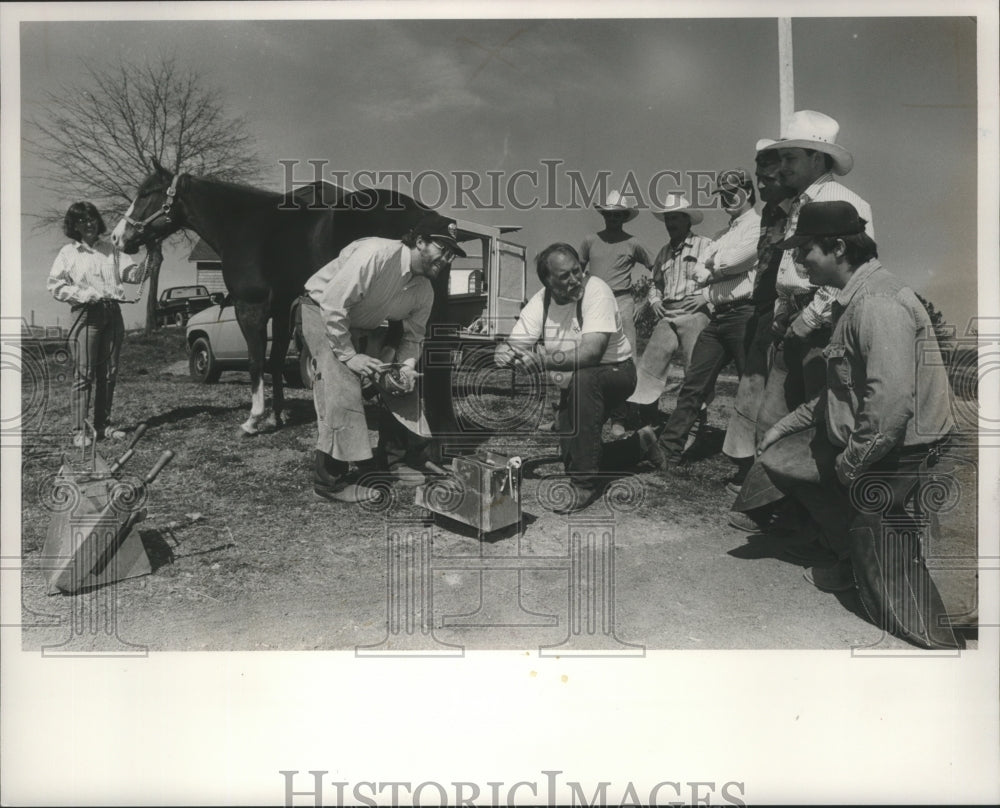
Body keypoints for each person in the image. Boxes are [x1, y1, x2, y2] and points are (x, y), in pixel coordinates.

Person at [738, 201, 961, 650]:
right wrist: (783, 427)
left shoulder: (877, 303)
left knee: (890, 578)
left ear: (838, 247)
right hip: (873, 445)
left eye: (806, 249)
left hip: (899, 456)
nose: (799, 260)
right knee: (780, 458)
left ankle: (942, 649)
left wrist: (851, 466)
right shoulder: (852, 298)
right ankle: (847, 548)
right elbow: (840, 393)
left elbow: (889, 406)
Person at [300, 212, 465, 503]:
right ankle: (328, 482)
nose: (446, 260)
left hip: (360, 324)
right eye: (443, 249)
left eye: (452, 254)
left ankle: (394, 462)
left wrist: (405, 369)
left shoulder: (425, 289)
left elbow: (413, 338)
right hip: (320, 311)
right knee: (341, 378)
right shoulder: (376, 253)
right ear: (420, 241)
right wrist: (349, 356)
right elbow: (333, 303)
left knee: (402, 382)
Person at [495, 243, 660, 514]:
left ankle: (585, 485)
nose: (575, 280)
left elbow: (590, 354)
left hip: (616, 373)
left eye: (577, 271)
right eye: (564, 276)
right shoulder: (541, 301)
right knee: (573, 456)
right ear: (547, 281)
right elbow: (515, 344)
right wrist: (504, 352)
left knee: (585, 379)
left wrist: (540, 360)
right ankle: (639, 445)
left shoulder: (597, 291)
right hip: (576, 382)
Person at [755, 110, 874, 437]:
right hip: (793, 320)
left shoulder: (840, 202)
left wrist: (809, 318)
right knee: (775, 418)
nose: (782, 167)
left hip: (823, 327)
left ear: (818, 159)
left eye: (790, 157)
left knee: (820, 421)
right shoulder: (801, 203)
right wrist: (785, 313)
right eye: (781, 158)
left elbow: (852, 271)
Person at [651, 169, 761, 467]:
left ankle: (757, 460)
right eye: (721, 194)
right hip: (719, 315)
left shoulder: (758, 226)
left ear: (748, 192)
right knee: (694, 382)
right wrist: (718, 267)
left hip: (745, 313)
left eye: (732, 192)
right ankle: (667, 450)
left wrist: (716, 265)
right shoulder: (721, 235)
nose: (726, 199)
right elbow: (698, 273)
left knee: (750, 387)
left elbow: (744, 259)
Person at [721, 141, 796, 491]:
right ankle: (741, 465)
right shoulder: (769, 213)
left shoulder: (799, 209)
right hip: (762, 308)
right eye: (758, 178)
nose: (761, 185)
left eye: (768, 178)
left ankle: (772, 473)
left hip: (790, 310)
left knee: (779, 394)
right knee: (750, 387)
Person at [47, 201, 149, 448]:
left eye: (92, 218)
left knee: (108, 374)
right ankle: (80, 430)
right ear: (75, 226)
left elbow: (133, 275)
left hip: (112, 314)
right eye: (82, 221)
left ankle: (103, 426)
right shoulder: (68, 253)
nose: (89, 223)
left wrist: (150, 259)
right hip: (86, 315)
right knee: (84, 374)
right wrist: (83, 295)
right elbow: (54, 285)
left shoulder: (112, 250)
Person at [626, 193, 712, 423]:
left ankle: (695, 424)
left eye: (675, 218)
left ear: (687, 220)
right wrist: (654, 301)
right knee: (650, 364)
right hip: (668, 311)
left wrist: (705, 296)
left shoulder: (706, 245)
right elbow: (656, 284)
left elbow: (718, 277)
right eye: (667, 218)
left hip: (695, 312)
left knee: (694, 369)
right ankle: (646, 419)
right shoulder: (664, 251)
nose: (671, 223)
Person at [579, 190, 652, 434]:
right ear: (604, 215)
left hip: (623, 301)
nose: (614, 218)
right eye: (610, 214)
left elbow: (658, 269)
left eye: (618, 214)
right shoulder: (590, 240)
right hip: (594, 303)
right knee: (589, 358)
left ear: (624, 216)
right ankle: (584, 415)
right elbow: (577, 273)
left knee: (623, 361)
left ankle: (620, 418)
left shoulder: (634, 243)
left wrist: (647, 300)